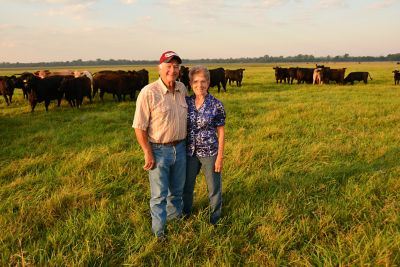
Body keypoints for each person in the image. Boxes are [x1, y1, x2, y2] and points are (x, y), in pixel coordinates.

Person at [132, 50, 188, 241]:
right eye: (169, 66)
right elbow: (139, 127)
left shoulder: (182, 88)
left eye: (176, 66)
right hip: (159, 150)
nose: (172, 70)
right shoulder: (148, 92)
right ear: (160, 68)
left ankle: (176, 220)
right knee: (159, 195)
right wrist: (147, 152)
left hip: (180, 147)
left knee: (177, 192)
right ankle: (159, 233)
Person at [183, 65, 226, 225]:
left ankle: (215, 218)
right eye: (195, 81)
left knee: (213, 187)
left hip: (210, 152)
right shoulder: (186, 102)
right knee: (186, 186)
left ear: (208, 82)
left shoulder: (216, 104)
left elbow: (220, 132)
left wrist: (219, 157)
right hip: (189, 152)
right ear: (190, 82)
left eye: (203, 81)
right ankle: (185, 214)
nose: (199, 85)